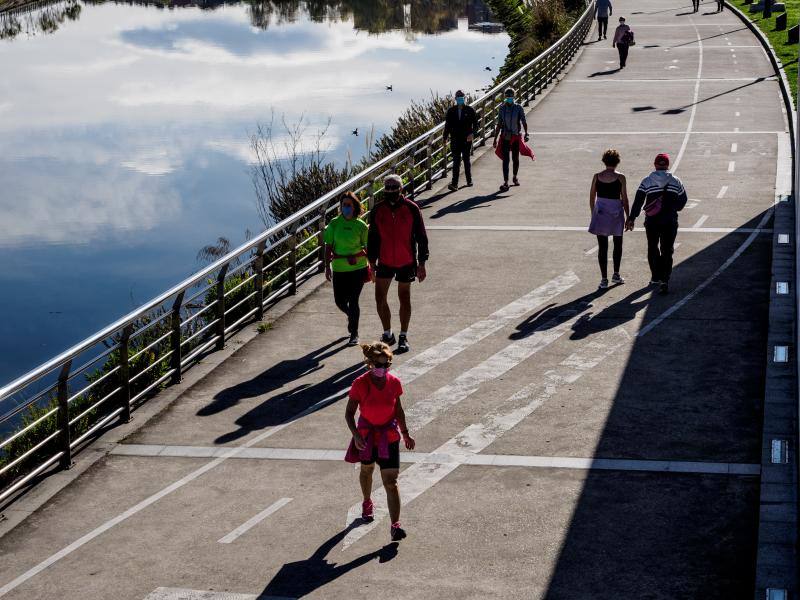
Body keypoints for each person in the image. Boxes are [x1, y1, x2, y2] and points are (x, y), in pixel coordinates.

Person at [345, 342, 415, 541]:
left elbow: (398, 410)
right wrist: (357, 435)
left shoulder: (394, 383)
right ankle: (367, 501)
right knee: (367, 471)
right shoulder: (360, 383)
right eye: (378, 365)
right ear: (370, 364)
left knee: (391, 483)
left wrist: (406, 433)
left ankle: (395, 525)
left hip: (389, 437)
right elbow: (349, 414)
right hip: (367, 437)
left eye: (386, 365)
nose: (382, 369)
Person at [367, 174, 429, 353]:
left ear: (401, 189)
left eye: (394, 187)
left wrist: (422, 263)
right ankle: (387, 334)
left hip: (407, 261)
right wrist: (372, 262)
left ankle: (403, 335)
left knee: (404, 297)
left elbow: (421, 237)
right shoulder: (378, 210)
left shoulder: (412, 209)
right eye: (387, 187)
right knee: (380, 298)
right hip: (384, 261)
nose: (391, 190)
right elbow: (373, 238)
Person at [626, 153, 688, 295]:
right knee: (667, 249)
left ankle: (655, 277)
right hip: (670, 221)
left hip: (652, 221)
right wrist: (675, 208)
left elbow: (638, 201)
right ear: (667, 165)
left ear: (655, 165)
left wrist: (631, 218)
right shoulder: (675, 181)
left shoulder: (647, 181)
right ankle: (665, 280)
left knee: (652, 247)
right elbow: (683, 199)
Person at [324, 192, 370, 346]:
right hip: (339, 268)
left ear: (355, 206)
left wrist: (373, 268)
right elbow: (328, 246)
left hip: (358, 267)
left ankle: (354, 334)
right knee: (339, 301)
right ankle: (352, 317)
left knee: (353, 299)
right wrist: (327, 267)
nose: (346, 208)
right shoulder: (334, 224)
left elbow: (367, 247)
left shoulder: (361, 226)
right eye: (344, 205)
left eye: (349, 205)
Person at [588, 149, 630, 289]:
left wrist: (593, 212)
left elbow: (592, 196)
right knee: (618, 244)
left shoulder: (597, 176)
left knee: (602, 247)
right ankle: (616, 274)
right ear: (617, 162)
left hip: (600, 212)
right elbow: (624, 198)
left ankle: (604, 279)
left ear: (604, 161)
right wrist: (628, 216)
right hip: (616, 213)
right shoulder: (620, 178)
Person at [492, 88, 530, 192]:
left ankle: (514, 176)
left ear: (514, 96)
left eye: (511, 96)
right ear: (505, 97)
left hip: (516, 136)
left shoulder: (518, 108)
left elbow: (523, 121)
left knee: (515, 158)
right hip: (505, 137)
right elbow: (499, 124)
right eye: (508, 96)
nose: (509, 98)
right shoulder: (502, 109)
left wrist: (526, 133)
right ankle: (505, 182)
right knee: (506, 160)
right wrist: (495, 139)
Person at [443, 90, 478, 191]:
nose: (460, 100)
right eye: (458, 98)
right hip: (455, 139)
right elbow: (447, 126)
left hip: (466, 139)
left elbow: (476, 125)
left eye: (461, 98)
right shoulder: (451, 111)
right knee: (456, 162)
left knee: (466, 160)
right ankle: (454, 184)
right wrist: (445, 138)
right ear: (455, 99)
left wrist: (472, 134)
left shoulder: (470, 110)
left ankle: (469, 180)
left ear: (464, 98)